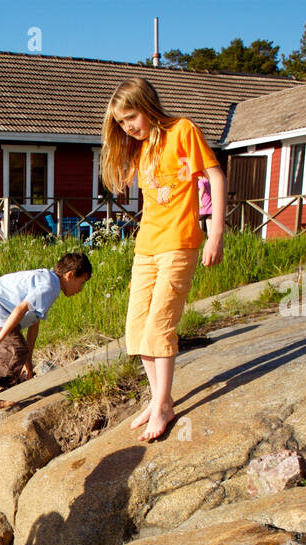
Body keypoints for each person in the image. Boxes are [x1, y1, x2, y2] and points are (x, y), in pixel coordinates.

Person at [101, 77, 226, 441]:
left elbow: (215, 177)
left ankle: (161, 407)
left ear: (148, 106)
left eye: (131, 118)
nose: (128, 128)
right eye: (121, 123)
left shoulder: (182, 130)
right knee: (137, 330)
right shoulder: (142, 149)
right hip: (147, 245)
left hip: (180, 242)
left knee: (160, 327)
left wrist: (215, 232)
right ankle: (162, 399)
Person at [0, 252, 92, 413]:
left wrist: (29, 361)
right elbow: (21, 309)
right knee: (14, 349)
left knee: (13, 352)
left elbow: (34, 323)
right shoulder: (49, 286)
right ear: (70, 275)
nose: (80, 289)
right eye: (81, 283)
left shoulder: (49, 282)